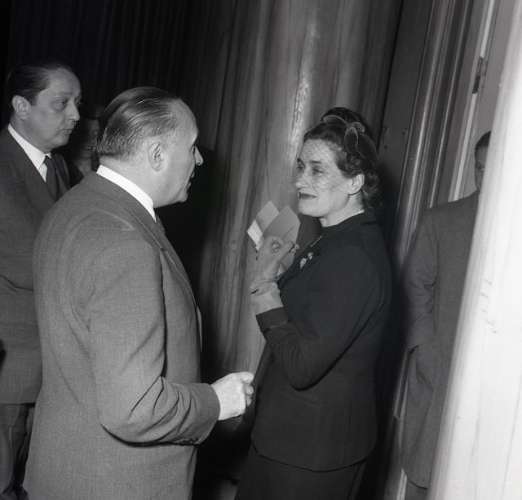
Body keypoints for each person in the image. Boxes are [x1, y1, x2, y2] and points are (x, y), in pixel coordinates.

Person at [24, 86, 254, 500]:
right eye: (192, 147)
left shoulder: (71, 207)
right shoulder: (125, 241)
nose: (200, 159)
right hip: (119, 482)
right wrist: (215, 402)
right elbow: (132, 408)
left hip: (66, 468)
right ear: (157, 154)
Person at [235, 107, 392, 500]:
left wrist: (265, 285)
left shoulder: (353, 256)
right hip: (290, 437)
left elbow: (301, 365)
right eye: (301, 166)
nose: (299, 180)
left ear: (355, 181)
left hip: (312, 453)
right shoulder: (335, 237)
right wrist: (286, 271)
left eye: (317, 170)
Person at [0, 60, 80, 500]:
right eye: (61, 103)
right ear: (21, 106)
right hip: (9, 371)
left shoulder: (60, 167)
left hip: (51, 366)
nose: (75, 115)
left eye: (76, 103)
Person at [401, 131, 491, 500]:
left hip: (493, 381)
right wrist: (425, 347)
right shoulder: (442, 221)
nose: (486, 177)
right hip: (442, 364)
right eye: (480, 168)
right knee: (426, 466)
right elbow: (414, 287)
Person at [61, 102, 104, 184]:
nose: (89, 139)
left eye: (96, 134)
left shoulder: (106, 169)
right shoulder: (59, 169)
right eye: (83, 132)